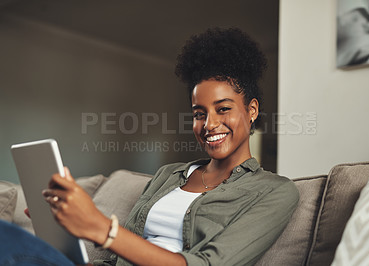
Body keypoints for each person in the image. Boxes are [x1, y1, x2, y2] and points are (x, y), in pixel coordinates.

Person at [0, 27, 299, 266]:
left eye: (223, 109)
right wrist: (68, 230)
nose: (208, 124)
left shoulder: (274, 191)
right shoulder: (168, 175)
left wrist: (101, 227)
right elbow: (120, 258)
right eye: (199, 113)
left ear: (252, 110)